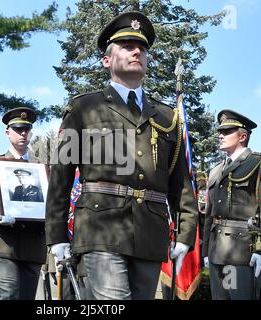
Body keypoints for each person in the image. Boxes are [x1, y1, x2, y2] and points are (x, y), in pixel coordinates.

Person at [45, 11, 198, 300]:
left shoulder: (166, 116)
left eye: (141, 48)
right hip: (100, 228)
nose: (137, 51)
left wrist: (186, 233)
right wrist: (55, 235)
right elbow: (60, 176)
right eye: (127, 46)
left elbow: (181, 183)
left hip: (150, 233)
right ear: (107, 60)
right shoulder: (83, 108)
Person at [202, 109, 261, 300]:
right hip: (216, 252)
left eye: (227, 131)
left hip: (241, 253)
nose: (220, 135)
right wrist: (205, 251)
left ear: (242, 136)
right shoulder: (215, 172)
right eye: (220, 131)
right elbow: (209, 215)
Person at [0, 107, 46, 300]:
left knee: (26, 297)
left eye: (26, 129)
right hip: (3, 244)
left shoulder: (42, 168)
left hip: (33, 244)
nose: (23, 133)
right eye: (18, 129)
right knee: (7, 293)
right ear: (7, 132)